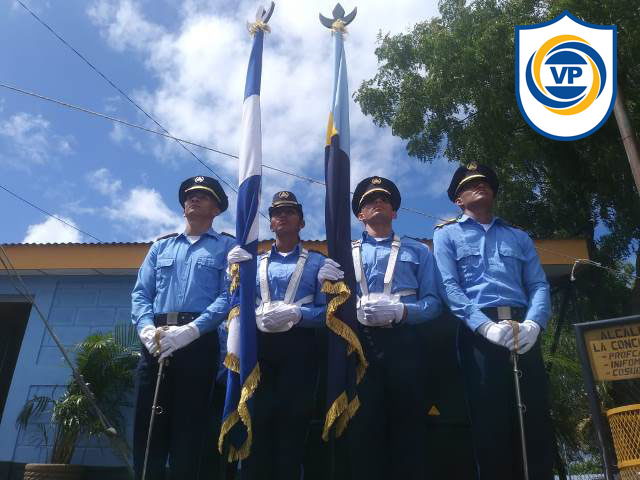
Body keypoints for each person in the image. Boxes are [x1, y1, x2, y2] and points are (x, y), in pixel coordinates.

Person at [432, 163, 554, 480]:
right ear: (458, 200)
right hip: (479, 331)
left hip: (523, 327)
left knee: (535, 417)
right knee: (489, 419)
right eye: (470, 184)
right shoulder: (446, 235)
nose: (480, 185)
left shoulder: (518, 236)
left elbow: (538, 285)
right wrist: (484, 326)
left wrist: (534, 324)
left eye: (485, 182)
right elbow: (448, 286)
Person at [131, 175, 234, 480]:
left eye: (203, 195)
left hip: (198, 342)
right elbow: (141, 294)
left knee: (190, 429)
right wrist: (146, 330)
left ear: (216, 209)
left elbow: (228, 295)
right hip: (157, 340)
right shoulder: (160, 246)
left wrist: (192, 331)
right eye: (190, 195)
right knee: (148, 426)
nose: (194, 198)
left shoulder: (227, 247)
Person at [227, 191, 334, 480]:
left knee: (292, 428)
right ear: (270, 222)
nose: (282, 216)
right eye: (276, 212)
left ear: (301, 222)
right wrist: (233, 275)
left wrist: (299, 314)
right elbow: (236, 305)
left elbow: (329, 314)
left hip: (299, 349)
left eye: (290, 211)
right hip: (259, 349)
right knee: (257, 425)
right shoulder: (253, 262)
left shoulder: (318, 262)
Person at [345, 176, 443, 480]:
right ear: (360, 215)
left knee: (409, 429)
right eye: (369, 201)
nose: (378, 203)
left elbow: (434, 303)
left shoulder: (420, 251)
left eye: (384, 199)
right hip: (360, 347)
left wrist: (403, 311)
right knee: (364, 429)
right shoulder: (344, 254)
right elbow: (332, 303)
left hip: (405, 344)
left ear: (395, 212)